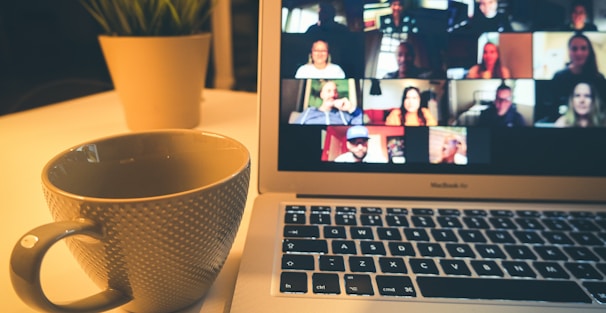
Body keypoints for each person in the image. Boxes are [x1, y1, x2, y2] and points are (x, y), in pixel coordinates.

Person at [552, 33, 606, 108]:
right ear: (569, 52)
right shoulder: (559, 77)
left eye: (583, 48)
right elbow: (553, 106)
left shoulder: (599, 79)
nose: (579, 53)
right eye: (574, 49)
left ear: (589, 51)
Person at [294, 80, 362, 125]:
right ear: (321, 94)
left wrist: (351, 108)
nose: (332, 95)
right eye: (328, 91)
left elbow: (360, 125)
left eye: (335, 91)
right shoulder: (309, 111)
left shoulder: (343, 114)